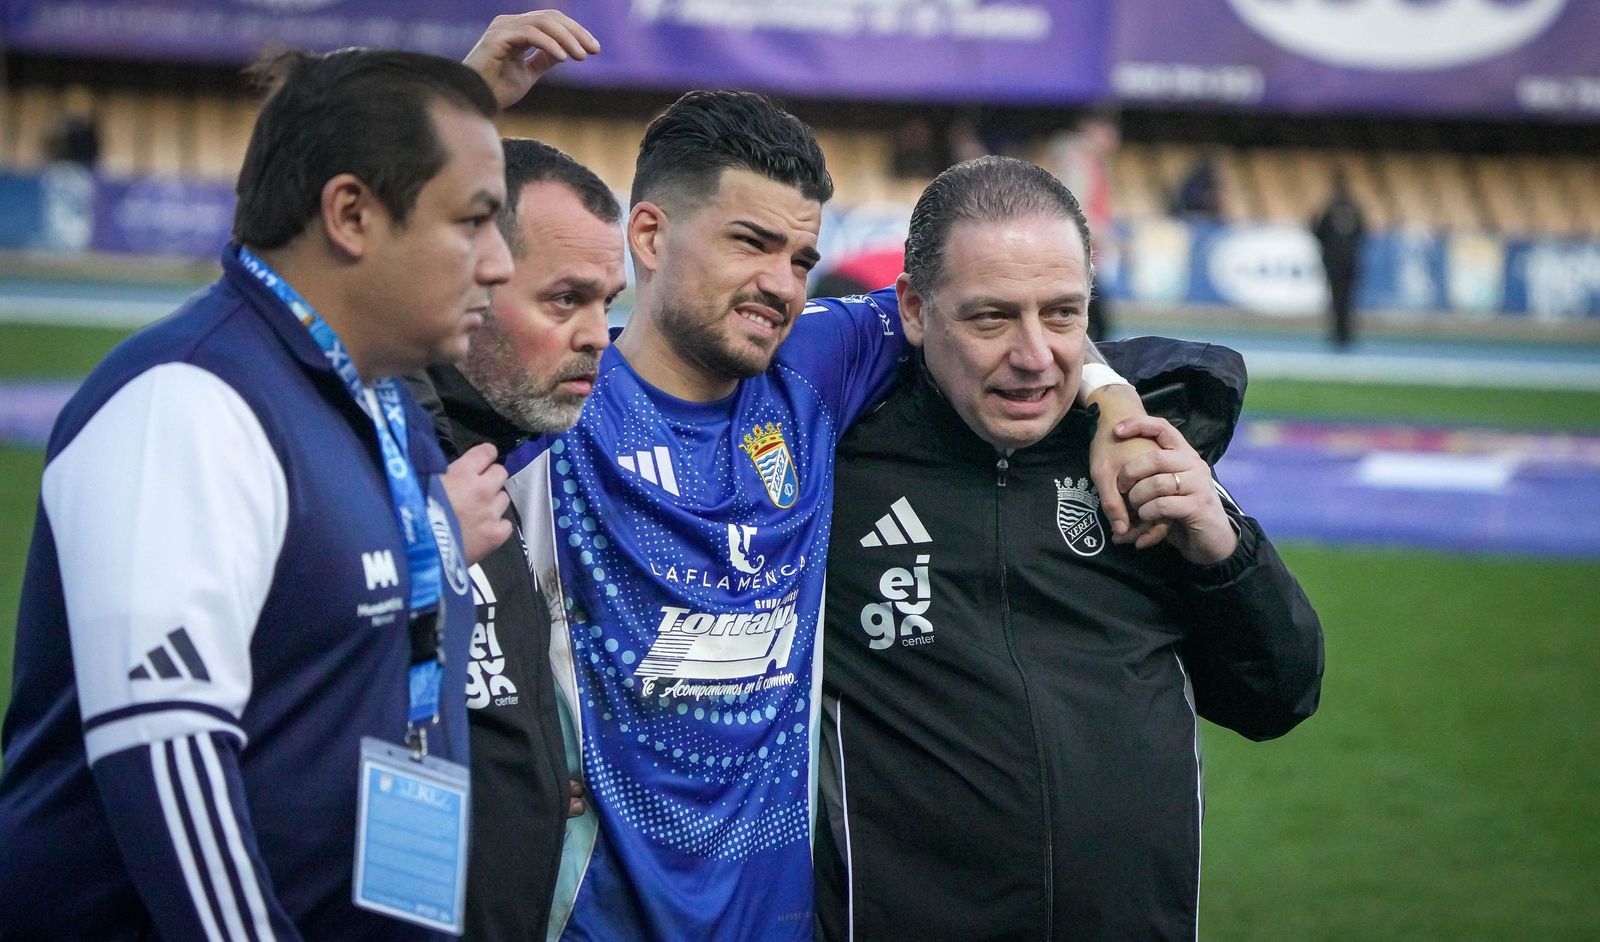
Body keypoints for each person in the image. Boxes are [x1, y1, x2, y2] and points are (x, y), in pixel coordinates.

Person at [0, 48, 513, 940]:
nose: (499, 263)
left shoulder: (374, 396)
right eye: (473, 221)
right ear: (350, 214)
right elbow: (169, 760)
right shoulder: (188, 402)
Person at [815, 156, 1325, 941]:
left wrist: (1222, 549)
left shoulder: (1145, 456)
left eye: (1062, 315)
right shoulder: (833, 466)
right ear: (915, 310)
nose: (1034, 355)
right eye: (991, 318)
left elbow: (1278, 696)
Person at [406, 138, 625, 942]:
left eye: (608, 303)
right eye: (566, 300)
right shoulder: (386, 453)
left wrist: (534, 769)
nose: (599, 335)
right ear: (467, 279)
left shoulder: (500, 462)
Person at [1313, 170, 1367, 349]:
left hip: (1335, 262)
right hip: (1349, 261)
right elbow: (1363, 233)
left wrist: (1329, 251)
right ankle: (1345, 334)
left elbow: (1318, 232)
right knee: (1347, 299)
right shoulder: (1355, 210)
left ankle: (1339, 333)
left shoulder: (1329, 210)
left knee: (1338, 298)